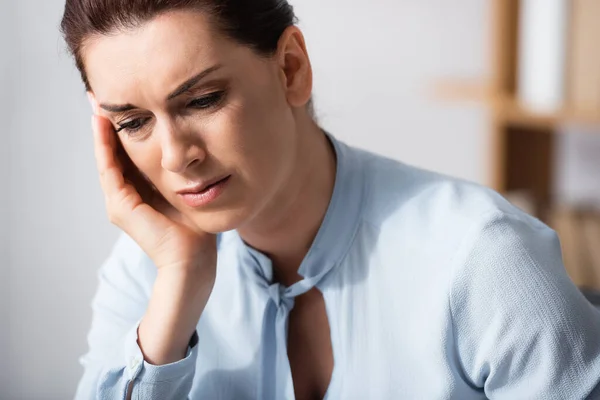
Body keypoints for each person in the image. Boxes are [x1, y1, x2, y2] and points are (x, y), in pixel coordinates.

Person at [61, 0, 600, 399]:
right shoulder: (146, 271)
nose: (176, 157)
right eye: (132, 122)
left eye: (203, 99)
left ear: (291, 68)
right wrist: (179, 290)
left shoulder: (484, 259)